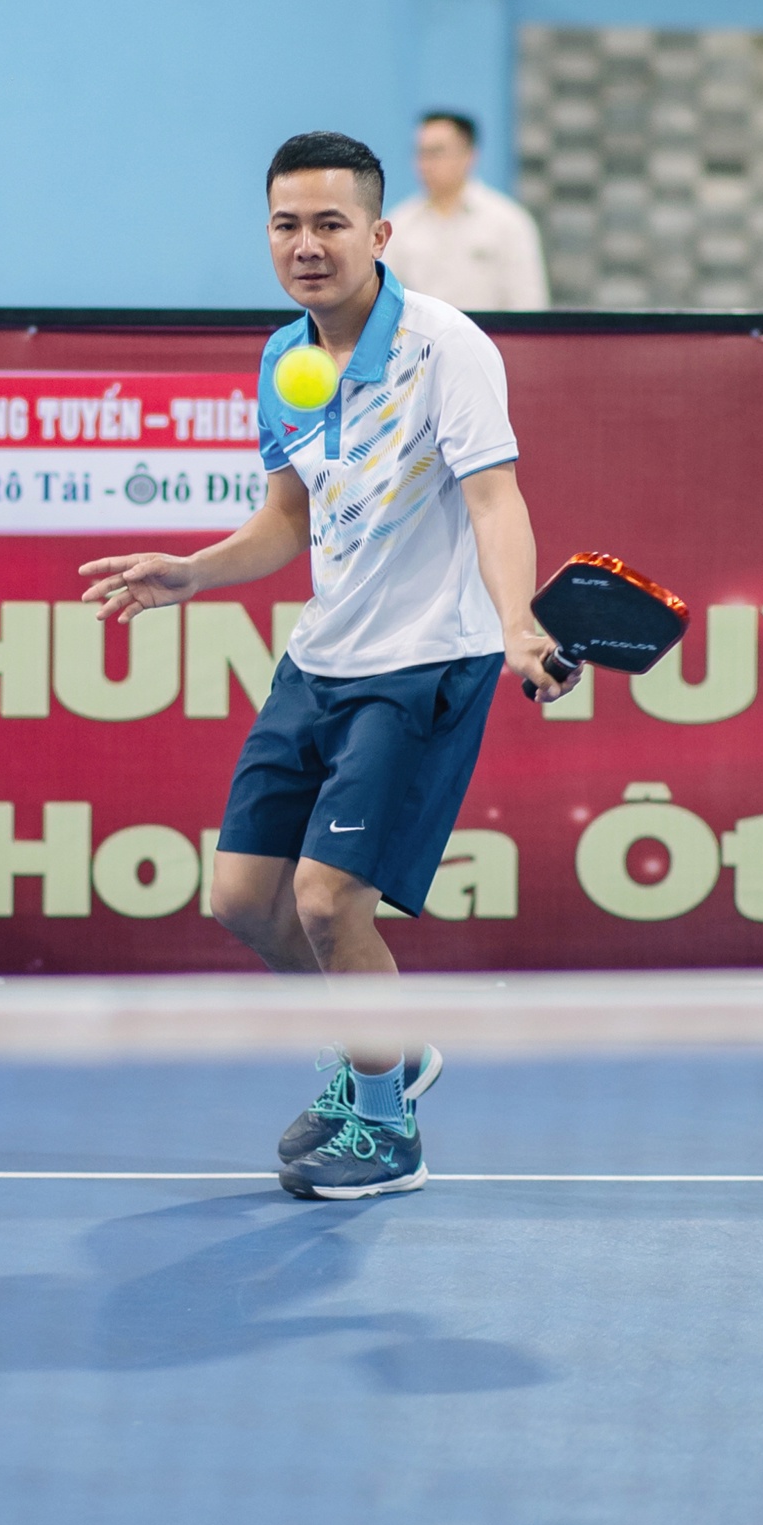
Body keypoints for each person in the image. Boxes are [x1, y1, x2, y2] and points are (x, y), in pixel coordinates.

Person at [79, 129, 577, 1200]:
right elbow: (285, 521)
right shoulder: (284, 360)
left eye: (330, 224)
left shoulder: (446, 347)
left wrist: (519, 625)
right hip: (320, 660)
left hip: (424, 663)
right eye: (286, 225)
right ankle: (385, 1051)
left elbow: (495, 501)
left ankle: (388, 1130)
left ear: (379, 233)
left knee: (325, 900)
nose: (306, 244)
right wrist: (194, 572)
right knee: (241, 900)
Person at [386, 110, 549, 311]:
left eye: (436, 152)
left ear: (468, 155)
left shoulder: (508, 223)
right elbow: (384, 299)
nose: (425, 164)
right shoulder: (400, 224)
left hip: (489, 331)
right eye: (421, 153)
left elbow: (528, 305)